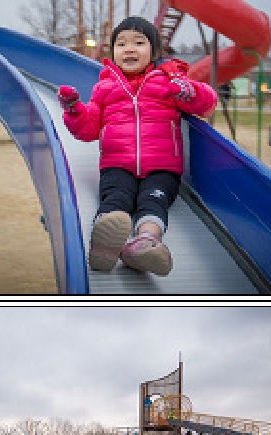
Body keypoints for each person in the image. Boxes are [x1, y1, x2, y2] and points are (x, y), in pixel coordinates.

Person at [57, 16, 216, 276]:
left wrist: (189, 92)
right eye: (121, 44)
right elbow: (87, 130)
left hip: (162, 167)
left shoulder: (169, 80)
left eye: (139, 43)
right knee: (116, 198)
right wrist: (74, 111)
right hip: (116, 164)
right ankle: (105, 241)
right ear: (113, 52)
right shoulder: (104, 88)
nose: (129, 49)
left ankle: (146, 243)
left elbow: (206, 104)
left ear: (153, 51)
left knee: (153, 203)